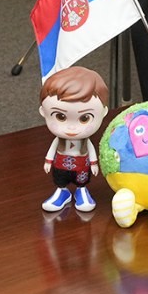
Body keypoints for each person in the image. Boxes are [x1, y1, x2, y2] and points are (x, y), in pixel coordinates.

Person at [38, 66, 108, 213]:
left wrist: (94, 164)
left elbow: (91, 149)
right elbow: (52, 149)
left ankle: (81, 191)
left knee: (82, 180)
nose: (71, 128)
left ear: (103, 112)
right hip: (60, 163)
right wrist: (48, 161)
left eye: (84, 118)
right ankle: (62, 192)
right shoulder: (58, 140)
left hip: (81, 164)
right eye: (60, 116)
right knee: (60, 179)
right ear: (43, 112)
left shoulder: (85, 141)